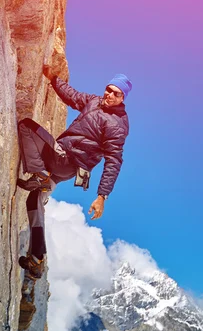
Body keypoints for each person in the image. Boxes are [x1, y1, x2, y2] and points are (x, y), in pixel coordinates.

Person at [17, 66, 132, 279]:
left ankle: (39, 174)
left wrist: (102, 196)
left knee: (26, 126)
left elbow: (114, 161)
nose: (109, 95)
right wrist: (52, 77)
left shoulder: (117, 125)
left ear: (122, 97)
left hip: (65, 160)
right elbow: (71, 96)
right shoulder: (94, 102)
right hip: (63, 168)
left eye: (116, 93)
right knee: (34, 201)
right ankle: (37, 258)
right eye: (108, 89)